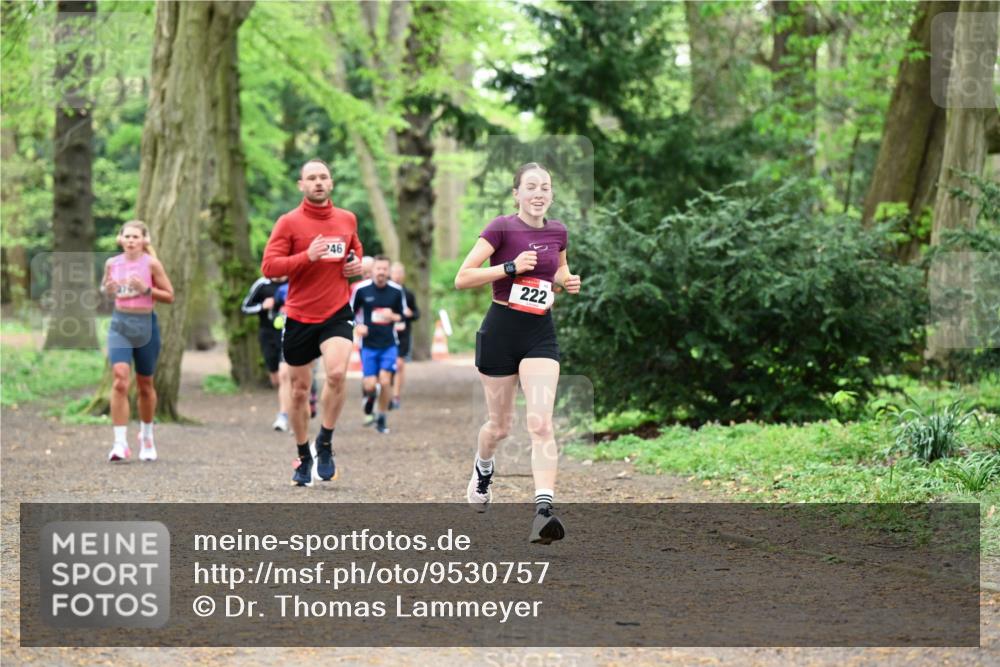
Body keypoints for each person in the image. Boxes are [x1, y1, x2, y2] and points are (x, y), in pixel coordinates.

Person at [454, 162, 581, 544]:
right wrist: (508, 267)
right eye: (531, 186)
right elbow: (463, 277)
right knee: (500, 426)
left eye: (545, 186)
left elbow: (557, 273)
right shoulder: (501, 228)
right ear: (517, 193)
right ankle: (483, 467)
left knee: (541, 423)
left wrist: (566, 280)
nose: (539, 193)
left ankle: (543, 512)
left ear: (551, 194)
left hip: (539, 333)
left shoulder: (558, 231)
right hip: (500, 331)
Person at [261, 158, 363, 486]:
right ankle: (304, 454)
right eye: (311, 178)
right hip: (299, 314)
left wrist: (354, 266)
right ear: (301, 185)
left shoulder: (347, 219)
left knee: (335, 373)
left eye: (323, 177)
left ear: (331, 183)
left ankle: (326, 441)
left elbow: (355, 254)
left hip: (336, 311)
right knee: (299, 391)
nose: (318, 182)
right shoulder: (288, 223)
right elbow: (269, 267)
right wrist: (307, 256)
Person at [101, 220, 175, 462]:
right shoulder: (112, 263)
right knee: (120, 380)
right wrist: (109, 289)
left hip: (146, 325)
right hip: (120, 324)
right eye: (127, 236)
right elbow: (107, 289)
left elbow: (169, 296)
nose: (131, 240)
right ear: (120, 239)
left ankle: (146, 436)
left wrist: (146, 290)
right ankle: (120, 444)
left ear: (144, 240)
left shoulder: (151, 264)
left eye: (136, 236)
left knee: (145, 385)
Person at [350, 255, 407, 434]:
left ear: (388, 271)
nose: (381, 272)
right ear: (372, 270)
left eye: (384, 269)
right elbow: (349, 312)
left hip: (389, 344)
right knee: (369, 384)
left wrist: (394, 316)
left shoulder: (396, 291)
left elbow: (403, 316)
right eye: (378, 269)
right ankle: (369, 398)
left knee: (384, 381)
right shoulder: (361, 290)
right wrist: (358, 326)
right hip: (368, 344)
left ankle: (381, 418)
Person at [241, 275, 292, 431]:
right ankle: (291, 402)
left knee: (285, 375)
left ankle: (284, 415)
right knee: (276, 378)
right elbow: (245, 307)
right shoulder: (262, 284)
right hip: (268, 335)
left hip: (289, 334)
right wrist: (262, 306)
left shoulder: (295, 282)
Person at [389, 261, 419, 410]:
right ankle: (385, 393)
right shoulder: (384, 292)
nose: (398, 276)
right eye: (395, 272)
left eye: (400, 273)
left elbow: (417, 313)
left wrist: (410, 314)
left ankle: (395, 396)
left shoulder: (408, 294)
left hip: (404, 333)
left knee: (399, 364)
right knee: (388, 365)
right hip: (387, 333)